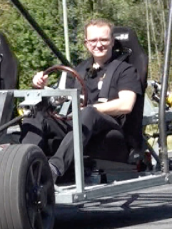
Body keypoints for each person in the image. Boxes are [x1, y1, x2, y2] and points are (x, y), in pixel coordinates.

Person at [21, 18, 143, 181]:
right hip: (80, 127)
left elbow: (126, 104)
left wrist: (90, 110)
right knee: (36, 115)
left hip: (111, 134)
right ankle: (24, 167)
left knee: (89, 113)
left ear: (112, 42)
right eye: (93, 40)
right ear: (86, 43)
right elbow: (60, 98)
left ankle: (53, 169)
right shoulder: (80, 70)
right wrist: (42, 87)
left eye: (104, 40)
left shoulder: (126, 70)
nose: (98, 45)